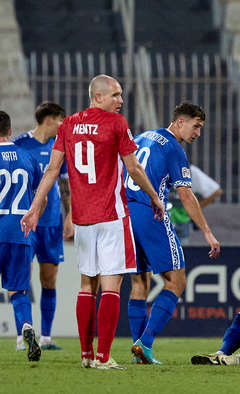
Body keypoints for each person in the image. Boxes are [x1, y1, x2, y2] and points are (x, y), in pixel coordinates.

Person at [21, 74, 166, 370]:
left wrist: (34, 207)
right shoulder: (116, 123)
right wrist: (154, 196)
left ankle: (87, 355)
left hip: (84, 219)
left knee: (87, 285)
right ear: (98, 97)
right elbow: (135, 168)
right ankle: (102, 357)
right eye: (115, 95)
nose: (121, 100)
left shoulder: (69, 124)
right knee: (112, 284)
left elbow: (51, 169)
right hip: (112, 215)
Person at [125, 102, 220, 365]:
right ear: (180, 122)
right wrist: (208, 232)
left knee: (139, 282)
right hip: (149, 211)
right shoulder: (173, 148)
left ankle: (139, 351)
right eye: (196, 126)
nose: (198, 132)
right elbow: (186, 195)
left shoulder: (142, 137)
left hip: (125, 212)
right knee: (177, 280)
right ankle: (145, 342)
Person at [12, 101, 74, 351]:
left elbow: (65, 185)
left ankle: (46, 337)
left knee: (49, 279)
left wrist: (69, 216)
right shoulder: (19, 145)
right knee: (21, 278)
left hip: (51, 222)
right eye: (61, 120)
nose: (63, 125)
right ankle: (21, 337)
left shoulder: (60, 147)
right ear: (49, 120)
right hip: (25, 222)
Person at [0, 110, 44, 362]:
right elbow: (41, 197)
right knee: (18, 291)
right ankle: (26, 326)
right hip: (19, 233)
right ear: (9, 131)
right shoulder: (27, 157)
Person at [168, 164, 223, 245]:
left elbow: (216, 191)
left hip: (180, 228)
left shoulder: (189, 171)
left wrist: (193, 210)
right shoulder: (153, 169)